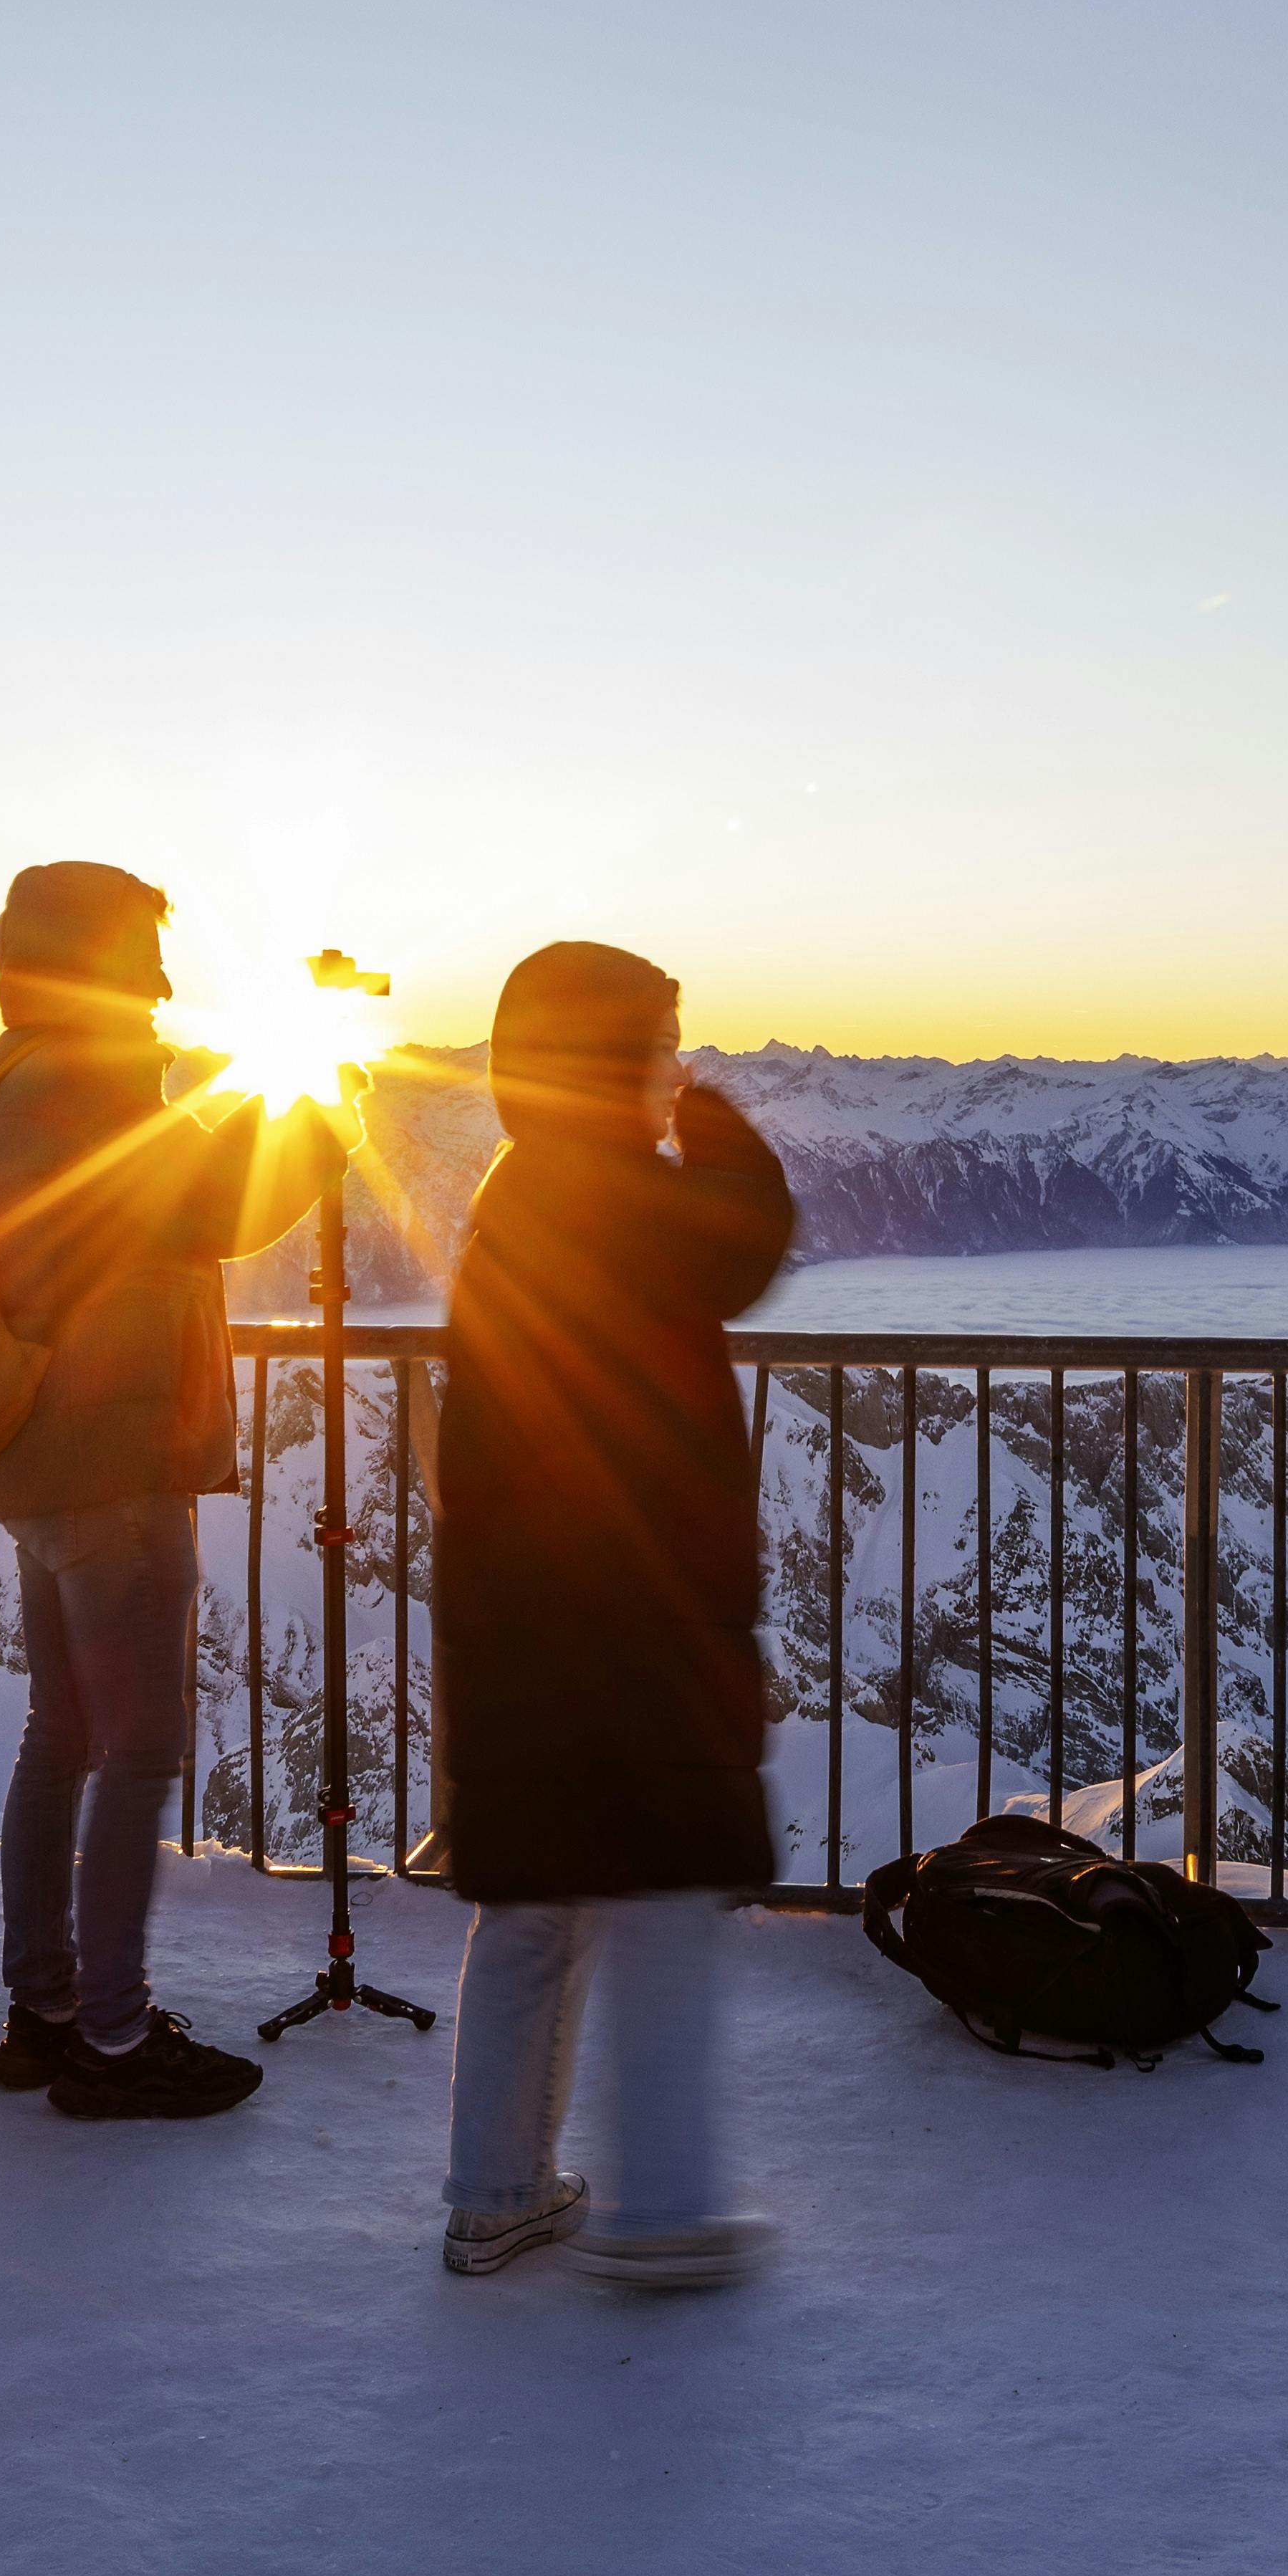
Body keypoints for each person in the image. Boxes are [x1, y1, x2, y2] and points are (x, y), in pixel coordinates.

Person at [431, 942, 794, 2289]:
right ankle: (668, 2212)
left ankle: (495, 2193)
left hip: (528, 1607)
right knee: (662, 1890)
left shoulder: (518, 1192)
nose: (674, 1070)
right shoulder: (611, 1194)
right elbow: (742, 1247)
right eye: (661, 1047)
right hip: (635, 1608)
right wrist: (718, 1123)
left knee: (540, 1896)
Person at [0, 865, 338, 2118]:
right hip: (116, 1460)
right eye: (145, 958)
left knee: (61, 1736)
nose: (166, 985)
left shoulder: (22, 1066)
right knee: (138, 1751)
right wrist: (321, 1108)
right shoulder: (91, 1078)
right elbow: (214, 1208)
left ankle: (47, 2009)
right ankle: (115, 2042)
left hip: (41, 1456)